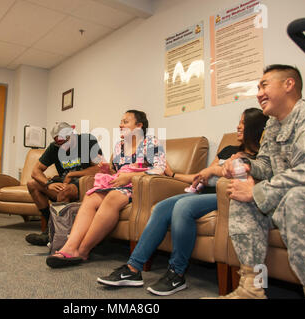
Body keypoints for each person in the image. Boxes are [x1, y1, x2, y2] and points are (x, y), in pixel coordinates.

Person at [97, 108, 268, 296]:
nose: (238, 126)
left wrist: (221, 170)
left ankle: (176, 273)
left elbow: (238, 179)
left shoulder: (261, 159)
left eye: (243, 122)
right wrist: (176, 175)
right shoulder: (228, 150)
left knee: (183, 206)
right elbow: (203, 176)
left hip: (226, 196)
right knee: (162, 207)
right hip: (204, 191)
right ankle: (133, 269)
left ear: (254, 127)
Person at [217, 64, 305, 299]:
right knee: (241, 195)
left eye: (264, 85)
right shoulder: (272, 124)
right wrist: (245, 164)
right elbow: (267, 165)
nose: (258, 93)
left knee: (297, 198)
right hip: (284, 199)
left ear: (288, 84)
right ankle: (252, 288)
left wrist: (259, 192)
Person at [46, 110, 167, 268]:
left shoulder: (151, 143)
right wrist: (106, 170)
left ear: (139, 125)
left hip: (139, 186)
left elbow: (160, 169)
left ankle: (82, 251)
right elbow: (116, 172)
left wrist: (129, 177)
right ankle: (69, 247)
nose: (120, 124)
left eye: (125, 121)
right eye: (121, 121)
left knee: (112, 198)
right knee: (90, 196)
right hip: (119, 183)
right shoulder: (120, 146)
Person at [25, 122, 103, 246]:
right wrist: (48, 183)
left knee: (64, 191)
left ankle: (55, 235)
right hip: (64, 183)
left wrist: (71, 175)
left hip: (83, 182)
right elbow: (35, 171)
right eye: (59, 144)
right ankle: (50, 229)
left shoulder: (87, 141)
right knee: (32, 184)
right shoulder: (54, 147)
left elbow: (98, 169)